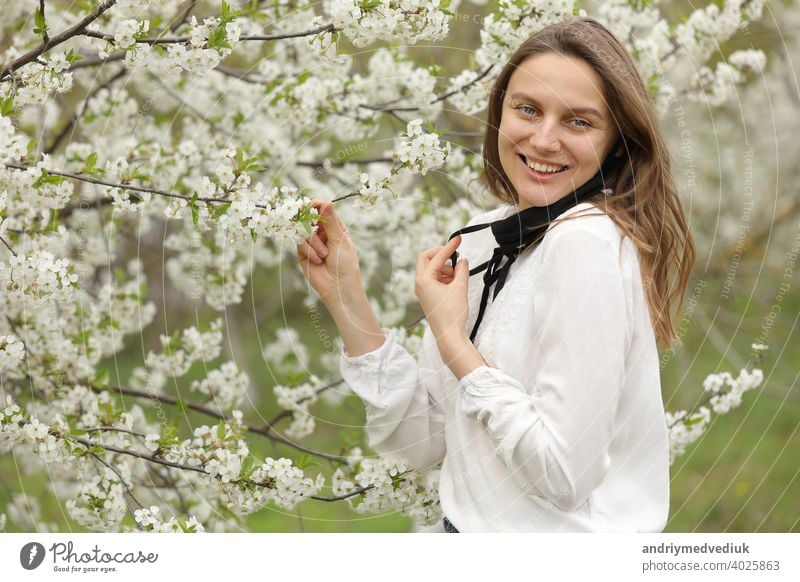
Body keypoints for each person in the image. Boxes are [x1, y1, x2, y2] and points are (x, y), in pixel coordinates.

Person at [296, 17, 695, 532]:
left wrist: (453, 342)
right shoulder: (486, 234)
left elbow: (564, 476)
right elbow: (421, 442)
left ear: (617, 142)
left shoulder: (587, 243)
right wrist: (345, 293)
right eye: (527, 109)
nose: (544, 139)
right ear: (500, 111)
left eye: (578, 121)